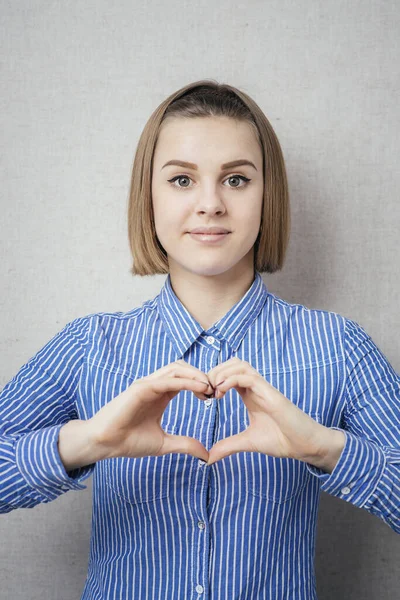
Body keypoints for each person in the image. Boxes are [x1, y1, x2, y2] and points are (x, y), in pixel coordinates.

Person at [0, 80, 399, 600]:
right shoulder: (87, 346)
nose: (210, 204)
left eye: (235, 179)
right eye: (182, 180)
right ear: (149, 194)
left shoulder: (340, 349)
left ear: (267, 194)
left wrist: (328, 449)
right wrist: (87, 442)